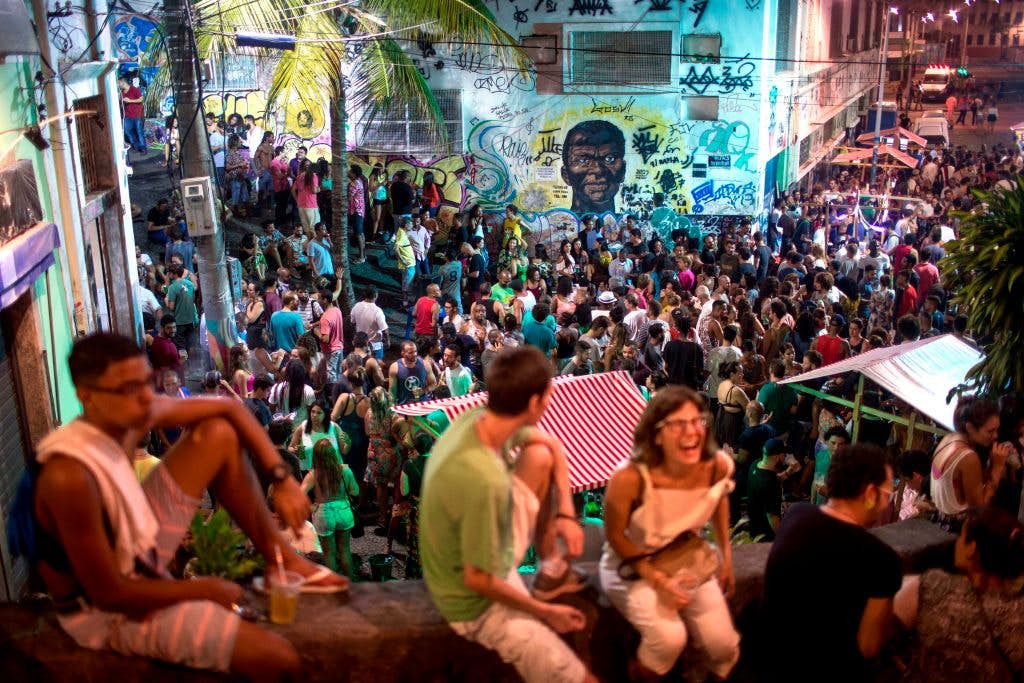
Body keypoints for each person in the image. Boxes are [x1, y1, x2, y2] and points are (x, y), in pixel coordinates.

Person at [31, 334, 344, 679]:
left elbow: (228, 409)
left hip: (133, 541)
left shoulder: (130, 410)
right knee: (278, 659)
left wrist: (281, 478)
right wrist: (202, 590)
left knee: (218, 433)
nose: (144, 399)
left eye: (146, 384)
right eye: (128, 389)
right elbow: (109, 595)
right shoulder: (68, 476)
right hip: (105, 614)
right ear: (86, 396)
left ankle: (282, 560)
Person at [420, 346, 595, 683]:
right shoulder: (486, 479)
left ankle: (549, 569)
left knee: (540, 454)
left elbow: (550, 444)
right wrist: (545, 612)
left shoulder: (477, 418)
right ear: (535, 403)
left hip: (479, 548)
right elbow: (477, 579)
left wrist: (565, 513)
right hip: (469, 603)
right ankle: (544, 594)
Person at [600, 386, 740, 681]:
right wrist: (658, 580)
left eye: (697, 421)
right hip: (631, 565)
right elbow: (615, 536)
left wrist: (726, 555)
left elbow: (719, 498)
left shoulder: (717, 466)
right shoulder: (628, 477)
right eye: (677, 424)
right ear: (656, 435)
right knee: (668, 639)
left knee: (723, 644)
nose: (691, 431)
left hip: (685, 558)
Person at [759, 443, 901, 683]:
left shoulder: (796, 514)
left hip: (770, 660)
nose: (888, 502)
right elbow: (869, 646)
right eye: (887, 494)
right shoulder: (881, 559)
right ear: (869, 494)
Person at [893, 506, 1024, 683]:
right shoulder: (1017, 607)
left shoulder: (934, 588)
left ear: (972, 548)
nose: (957, 543)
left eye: (961, 537)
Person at [930, 396, 1013, 531]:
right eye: (990, 431)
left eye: (996, 430)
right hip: (958, 531)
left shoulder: (948, 439)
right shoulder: (968, 457)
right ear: (970, 428)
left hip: (940, 521)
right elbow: (980, 510)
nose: (996, 436)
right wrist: (996, 469)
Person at [301, 439, 361, 579]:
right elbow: (355, 491)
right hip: (343, 510)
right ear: (334, 453)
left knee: (329, 554)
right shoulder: (345, 470)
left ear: (316, 455)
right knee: (345, 550)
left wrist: (310, 506)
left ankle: (333, 584)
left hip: (324, 513)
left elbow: (299, 494)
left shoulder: (313, 474)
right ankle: (350, 582)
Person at [561, 120, 627, 215]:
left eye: (609, 159)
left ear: (623, 171)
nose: (598, 170)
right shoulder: (550, 222)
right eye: (583, 160)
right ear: (566, 175)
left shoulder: (631, 222)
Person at [747, 437, 800, 541]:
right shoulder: (769, 484)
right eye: (784, 455)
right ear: (776, 457)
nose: (786, 457)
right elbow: (772, 519)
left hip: (754, 523)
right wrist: (785, 540)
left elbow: (774, 478)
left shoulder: (756, 464)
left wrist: (789, 471)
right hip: (765, 533)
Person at [289, 397, 351, 474]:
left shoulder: (334, 427)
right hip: (309, 472)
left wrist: (348, 443)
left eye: (319, 413)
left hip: (333, 472)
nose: (314, 415)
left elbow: (344, 451)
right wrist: (296, 450)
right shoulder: (303, 427)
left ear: (325, 414)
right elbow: (290, 448)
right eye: (312, 412)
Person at [389, 340, 436, 405]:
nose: (414, 354)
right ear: (403, 353)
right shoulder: (395, 367)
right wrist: (392, 406)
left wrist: (424, 390)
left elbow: (434, 384)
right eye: (410, 353)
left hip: (423, 404)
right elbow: (392, 392)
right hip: (404, 406)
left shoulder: (425, 364)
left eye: (415, 351)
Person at [164, 264, 197, 353]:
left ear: (174, 274)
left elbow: (171, 307)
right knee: (191, 345)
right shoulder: (190, 284)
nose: (168, 275)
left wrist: (166, 301)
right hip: (191, 320)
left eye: (169, 273)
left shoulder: (172, 287)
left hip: (179, 321)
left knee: (181, 347)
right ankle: (193, 360)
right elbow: (193, 299)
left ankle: (184, 361)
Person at [351, 288, 389, 360]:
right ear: (376, 295)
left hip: (360, 345)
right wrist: (387, 341)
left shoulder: (356, 306)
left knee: (360, 365)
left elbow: (352, 323)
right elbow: (385, 330)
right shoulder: (377, 311)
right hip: (375, 346)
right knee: (376, 365)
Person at [118, 77, 146, 153]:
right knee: (127, 130)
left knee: (139, 131)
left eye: (119, 83)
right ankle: (136, 145)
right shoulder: (122, 92)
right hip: (128, 115)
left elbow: (141, 99)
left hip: (137, 115)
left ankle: (143, 148)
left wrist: (130, 101)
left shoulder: (134, 89)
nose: (118, 85)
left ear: (123, 82)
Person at [348, 164, 368, 263]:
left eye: (350, 171)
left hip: (355, 210)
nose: (348, 172)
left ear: (354, 174)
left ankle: (361, 257)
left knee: (358, 234)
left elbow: (349, 197)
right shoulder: (359, 181)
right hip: (360, 210)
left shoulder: (354, 183)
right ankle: (363, 255)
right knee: (361, 233)